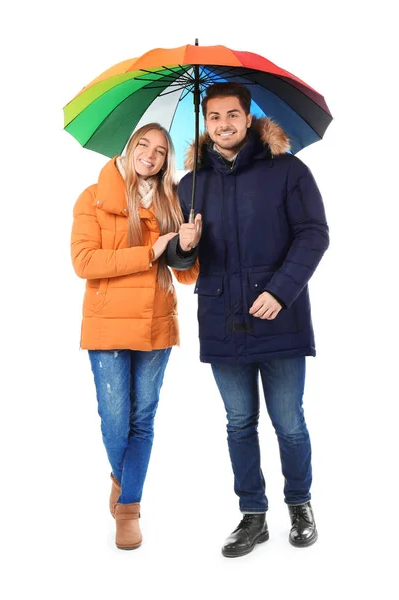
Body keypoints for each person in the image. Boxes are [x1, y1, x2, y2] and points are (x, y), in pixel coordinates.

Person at [168, 82, 329, 557]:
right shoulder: (190, 183)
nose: (223, 124)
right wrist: (186, 244)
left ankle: (300, 505)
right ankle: (253, 516)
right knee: (239, 422)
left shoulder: (288, 171)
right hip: (222, 317)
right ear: (206, 122)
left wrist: (280, 290)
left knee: (289, 422)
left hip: (279, 316)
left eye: (231, 115)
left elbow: (314, 234)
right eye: (214, 117)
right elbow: (180, 262)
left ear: (248, 116)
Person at [71, 123, 197, 550]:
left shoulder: (174, 202)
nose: (150, 154)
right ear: (129, 147)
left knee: (142, 420)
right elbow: (85, 262)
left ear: (166, 162)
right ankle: (124, 479)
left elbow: (186, 274)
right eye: (143, 144)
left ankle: (128, 508)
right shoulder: (94, 197)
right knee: (114, 420)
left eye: (161, 151)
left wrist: (189, 243)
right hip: (107, 323)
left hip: (155, 322)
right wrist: (150, 251)